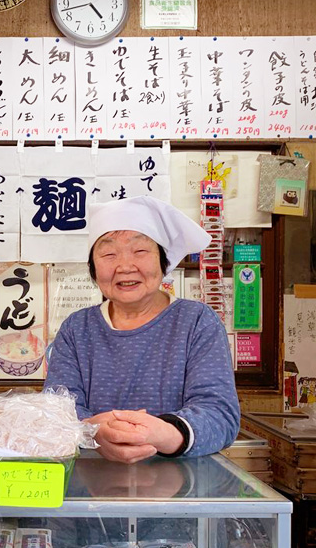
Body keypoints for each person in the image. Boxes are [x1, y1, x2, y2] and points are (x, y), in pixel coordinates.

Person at [44, 196, 240, 462]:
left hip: (182, 488)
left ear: (163, 263)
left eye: (140, 251)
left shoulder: (196, 322)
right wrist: (94, 433)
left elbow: (219, 414)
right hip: (90, 485)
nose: (125, 266)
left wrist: (164, 434)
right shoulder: (77, 329)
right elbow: (57, 410)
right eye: (108, 254)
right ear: (93, 269)